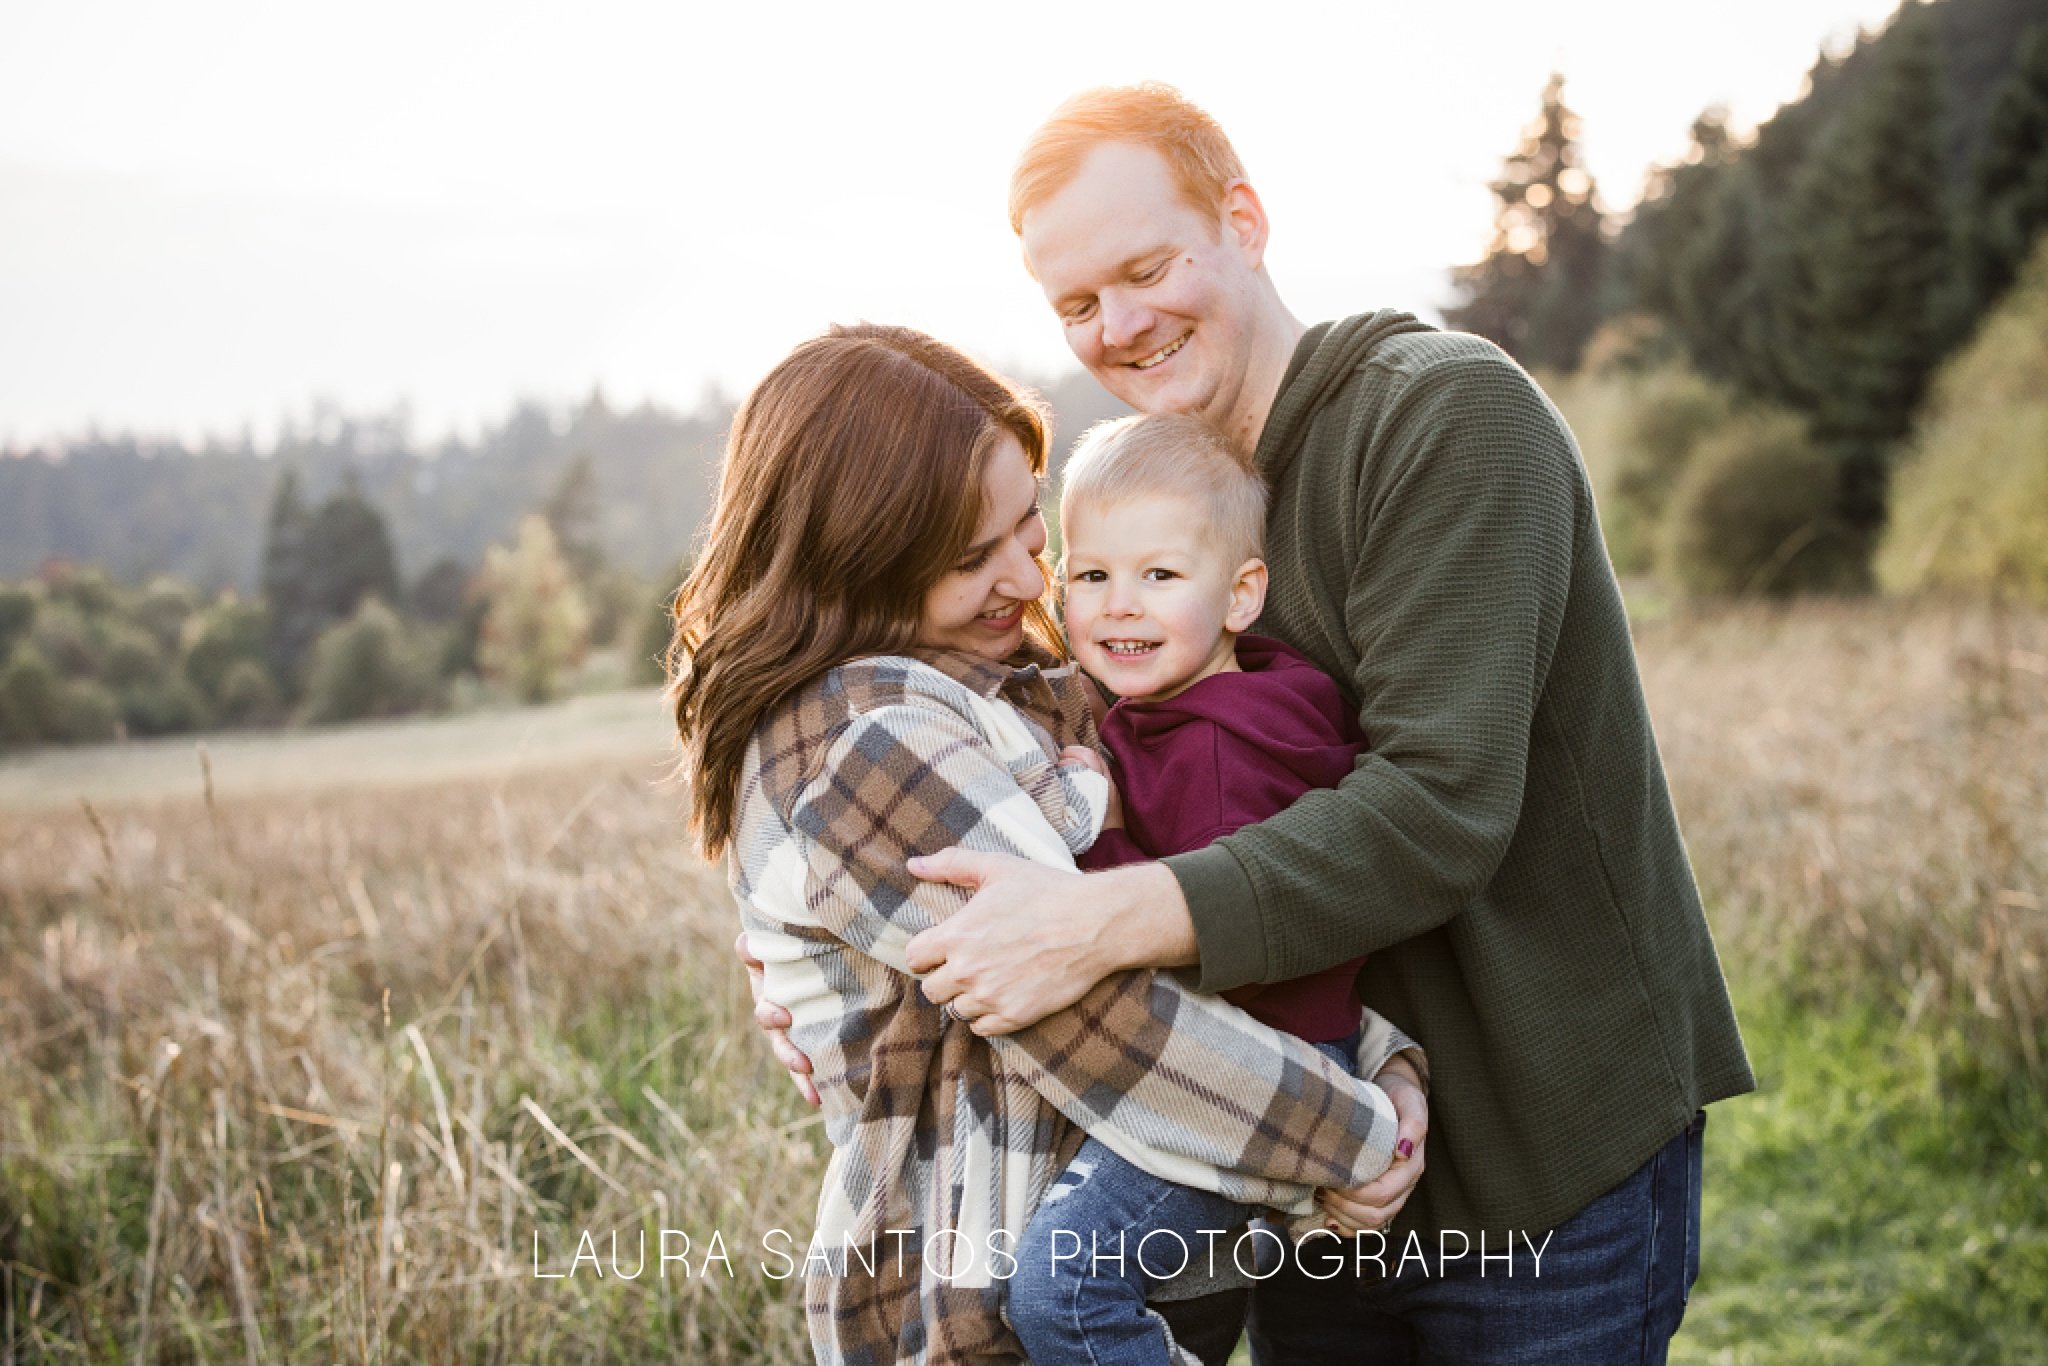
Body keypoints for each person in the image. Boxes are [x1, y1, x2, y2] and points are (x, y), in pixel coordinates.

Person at [753, 84, 1755, 1362]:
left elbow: (1436, 806)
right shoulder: (1139, 515)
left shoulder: (1440, 416)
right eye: (1076, 304)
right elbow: (1030, 746)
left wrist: (1101, 922)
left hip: (1536, 1161)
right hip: (1290, 1166)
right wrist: (834, 970)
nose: (1118, 325)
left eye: (1146, 266)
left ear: (1244, 219)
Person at [669, 321, 1422, 1365]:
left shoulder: (996, 676)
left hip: (1107, 1235)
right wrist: (1352, 1131)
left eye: (1031, 528)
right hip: (982, 1306)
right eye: (974, 558)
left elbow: (1169, 889)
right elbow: (1094, 1012)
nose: (1029, 583)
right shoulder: (867, 742)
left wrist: (1376, 1052)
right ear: (855, 567)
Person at [1006, 411, 1394, 1365]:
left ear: (1241, 594)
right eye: (1091, 576)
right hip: (1270, 1056)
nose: (1118, 606)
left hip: (1258, 1069)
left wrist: (1094, 848)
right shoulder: (1223, 700)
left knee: (1064, 1284)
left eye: (1160, 576)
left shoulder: (1218, 752)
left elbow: (1232, 945)